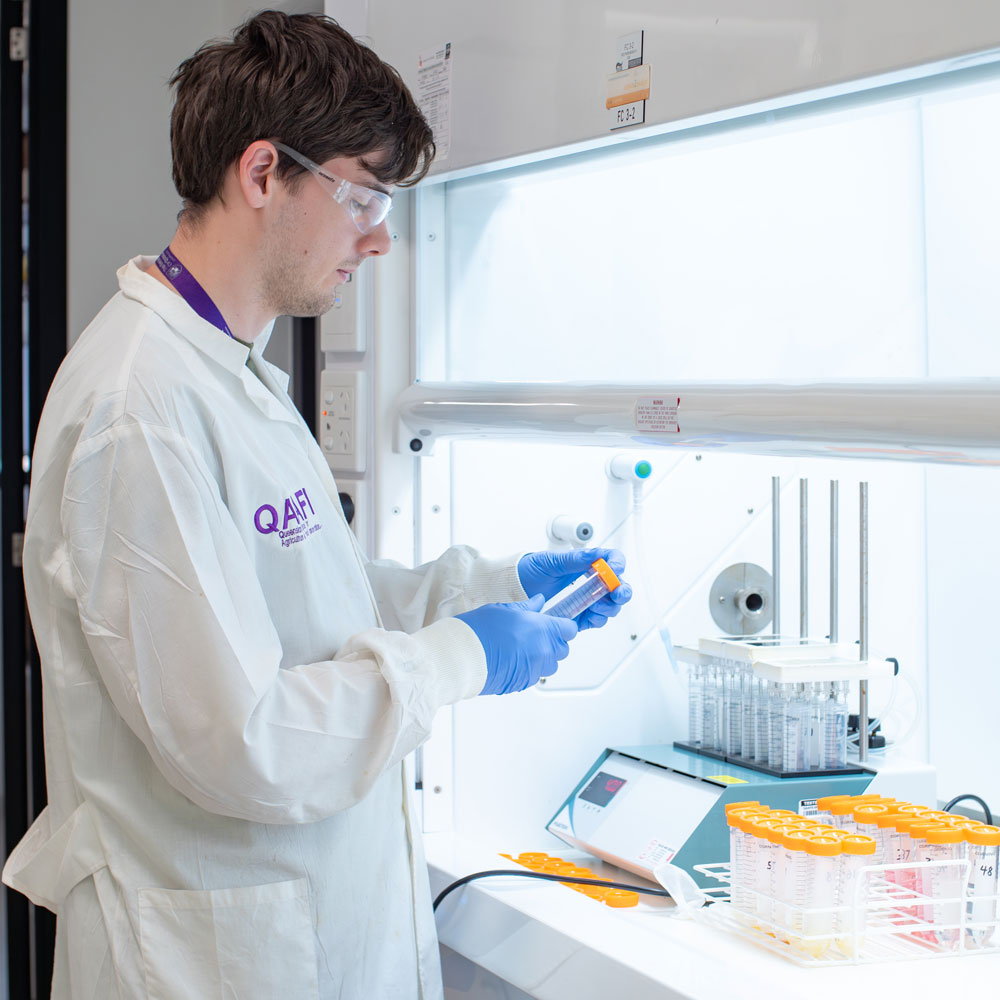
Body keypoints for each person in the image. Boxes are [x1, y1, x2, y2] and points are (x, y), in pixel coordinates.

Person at [2, 11, 632, 1000]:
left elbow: (304, 603)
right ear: (262, 174)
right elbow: (240, 737)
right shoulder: (144, 409)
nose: (377, 241)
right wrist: (465, 654)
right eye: (363, 200)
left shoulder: (227, 371)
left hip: (294, 935)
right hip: (206, 959)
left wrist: (490, 589)